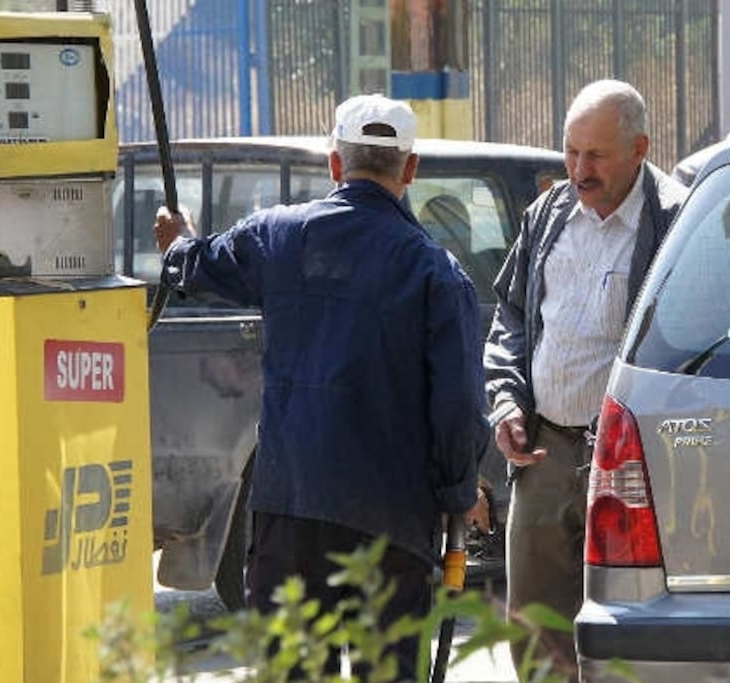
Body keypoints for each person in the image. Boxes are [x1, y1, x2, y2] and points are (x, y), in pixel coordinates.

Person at [153, 94, 490, 680]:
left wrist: (178, 242)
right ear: (409, 171)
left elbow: (201, 264)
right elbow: (458, 407)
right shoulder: (437, 273)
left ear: (336, 164)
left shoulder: (279, 237)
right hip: (391, 526)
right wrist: (459, 489)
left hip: (290, 516)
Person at [483, 79, 687, 677]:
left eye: (595, 154)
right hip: (545, 452)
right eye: (571, 152)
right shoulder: (545, 216)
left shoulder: (676, 221)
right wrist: (506, 400)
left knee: (630, 630)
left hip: (631, 464)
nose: (579, 169)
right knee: (535, 629)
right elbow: (511, 317)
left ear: (639, 148)